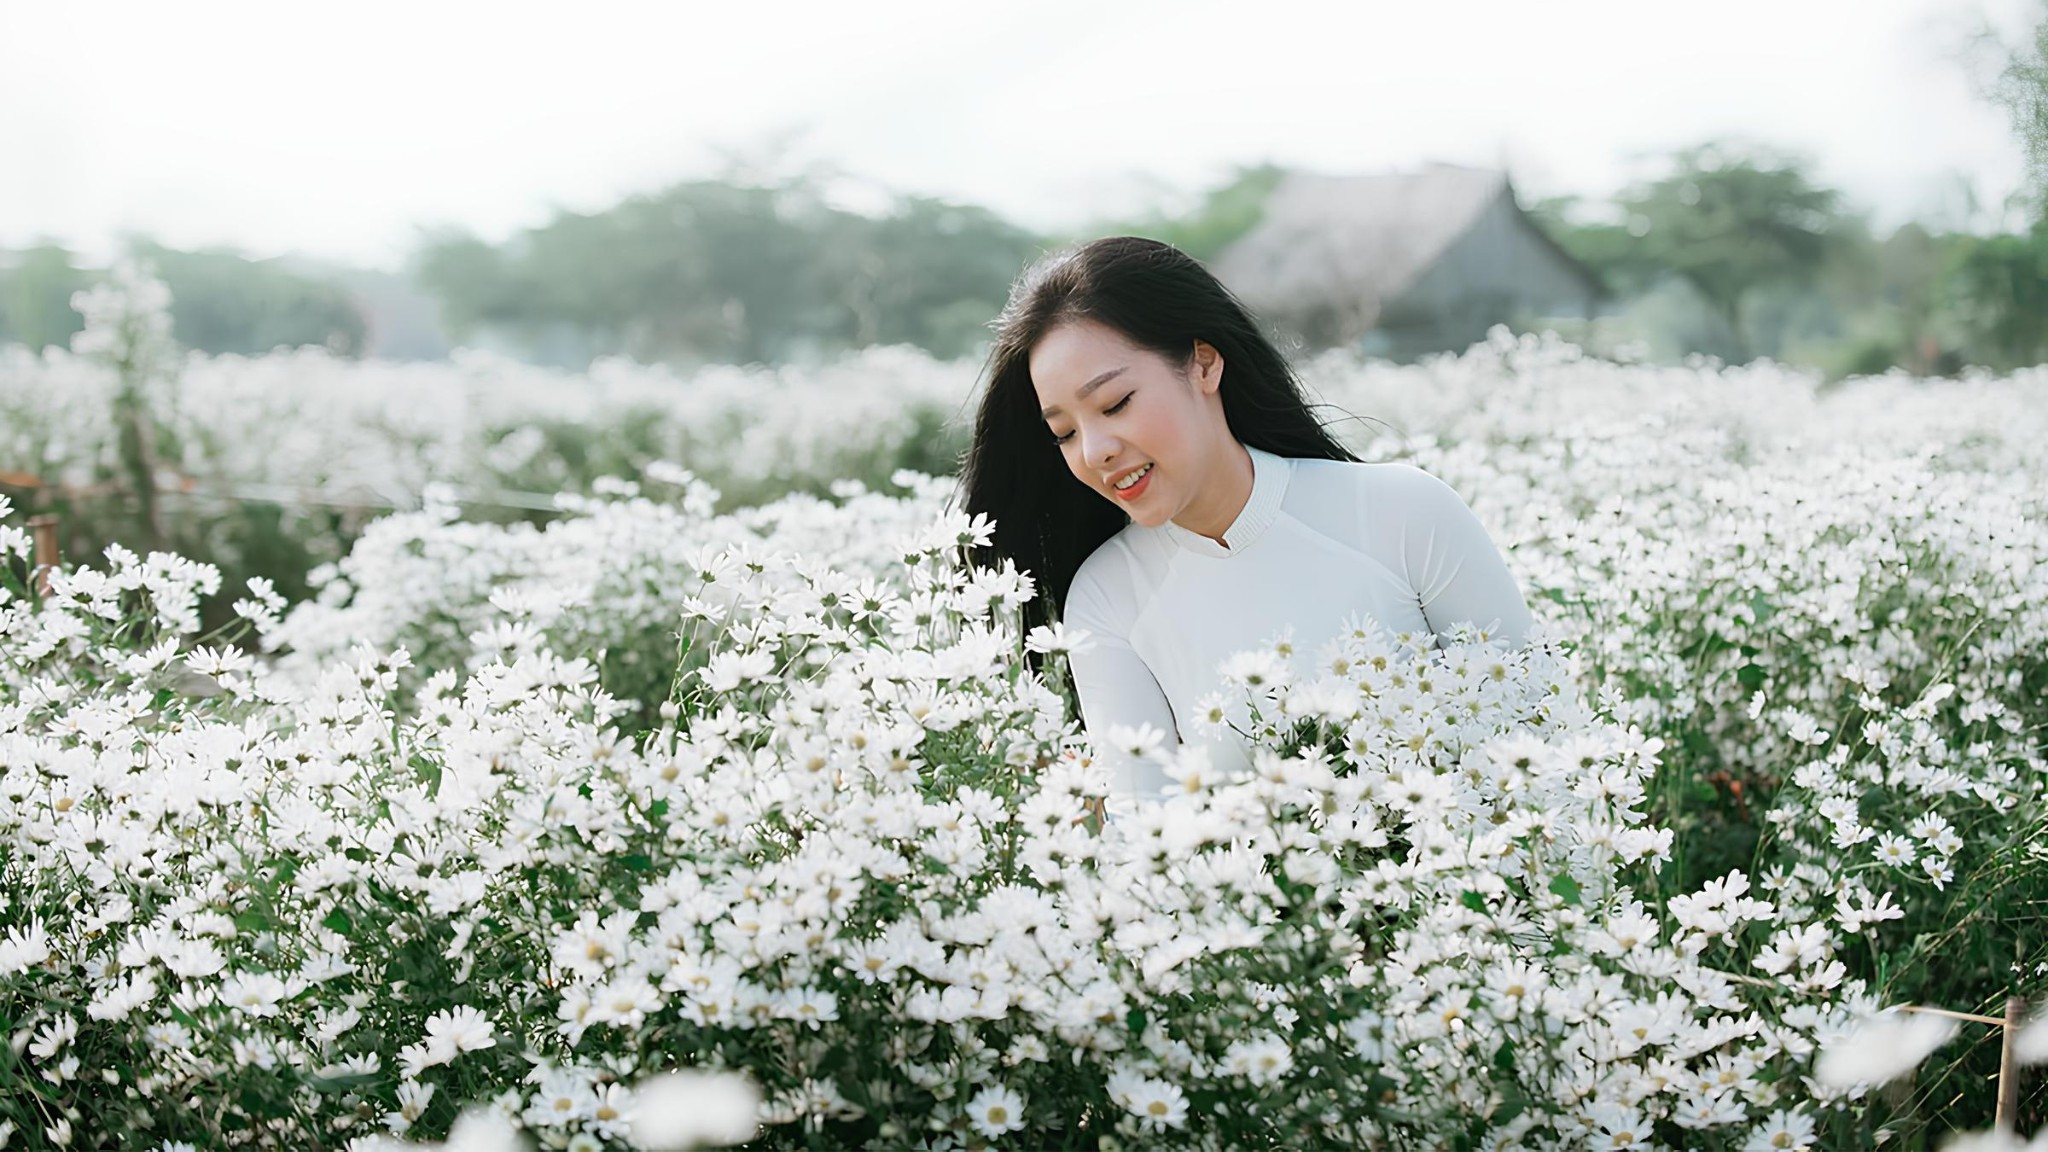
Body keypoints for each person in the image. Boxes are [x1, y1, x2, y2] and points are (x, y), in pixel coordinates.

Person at [959, 236, 1533, 801]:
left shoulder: (1404, 512)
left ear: (1203, 364)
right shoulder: (1107, 599)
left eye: (1115, 404)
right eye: (1064, 432)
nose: (1094, 451)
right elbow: (1144, 843)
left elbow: (1537, 728)